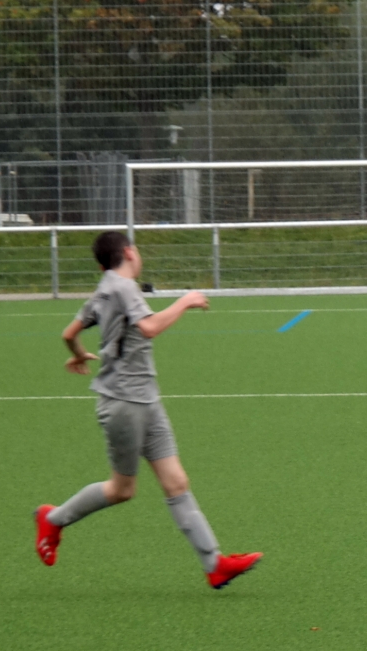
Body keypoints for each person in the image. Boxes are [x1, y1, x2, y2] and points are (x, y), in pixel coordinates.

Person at [34, 231, 261, 589]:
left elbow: (69, 332)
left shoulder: (105, 289)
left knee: (176, 482)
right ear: (128, 252)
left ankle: (214, 564)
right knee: (122, 489)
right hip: (124, 403)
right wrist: (185, 301)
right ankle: (53, 519)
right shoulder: (124, 287)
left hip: (146, 400)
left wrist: (78, 354)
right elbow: (150, 327)